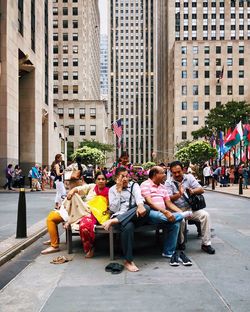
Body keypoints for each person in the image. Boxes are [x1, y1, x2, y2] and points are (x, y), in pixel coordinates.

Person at [41, 172, 109, 255]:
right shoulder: (91, 187)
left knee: (83, 225)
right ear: (95, 180)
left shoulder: (109, 191)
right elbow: (78, 191)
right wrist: (72, 191)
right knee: (51, 217)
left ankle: (87, 246)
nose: (101, 181)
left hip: (86, 212)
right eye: (99, 179)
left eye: (103, 179)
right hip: (73, 209)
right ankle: (54, 242)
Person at [140, 166, 193, 266]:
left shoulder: (163, 187)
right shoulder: (145, 185)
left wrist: (179, 211)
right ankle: (181, 215)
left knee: (175, 222)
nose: (165, 175)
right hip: (149, 213)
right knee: (161, 216)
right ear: (155, 174)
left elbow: (169, 203)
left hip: (163, 213)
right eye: (163, 173)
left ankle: (168, 252)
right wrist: (165, 212)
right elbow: (150, 203)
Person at [102, 167, 150, 272]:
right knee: (128, 226)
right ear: (116, 179)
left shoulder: (134, 185)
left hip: (135, 215)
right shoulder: (112, 190)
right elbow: (114, 209)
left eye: (126, 176)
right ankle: (128, 261)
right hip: (121, 217)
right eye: (122, 176)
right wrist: (118, 192)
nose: (125, 178)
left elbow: (138, 197)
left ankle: (116, 220)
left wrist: (140, 205)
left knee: (146, 208)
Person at [165, 161, 215, 255]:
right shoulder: (168, 183)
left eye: (178, 172)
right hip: (176, 210)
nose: (177, 174)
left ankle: (206, 244)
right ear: (171, 172)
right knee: (181, 221)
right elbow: (168, 199)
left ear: (183, 170)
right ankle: (181, 242)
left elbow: (201, 189)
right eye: (174, 172)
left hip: (190, 209)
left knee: (205, 215)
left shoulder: (189, 177)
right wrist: (179, 194)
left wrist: (192, 191)